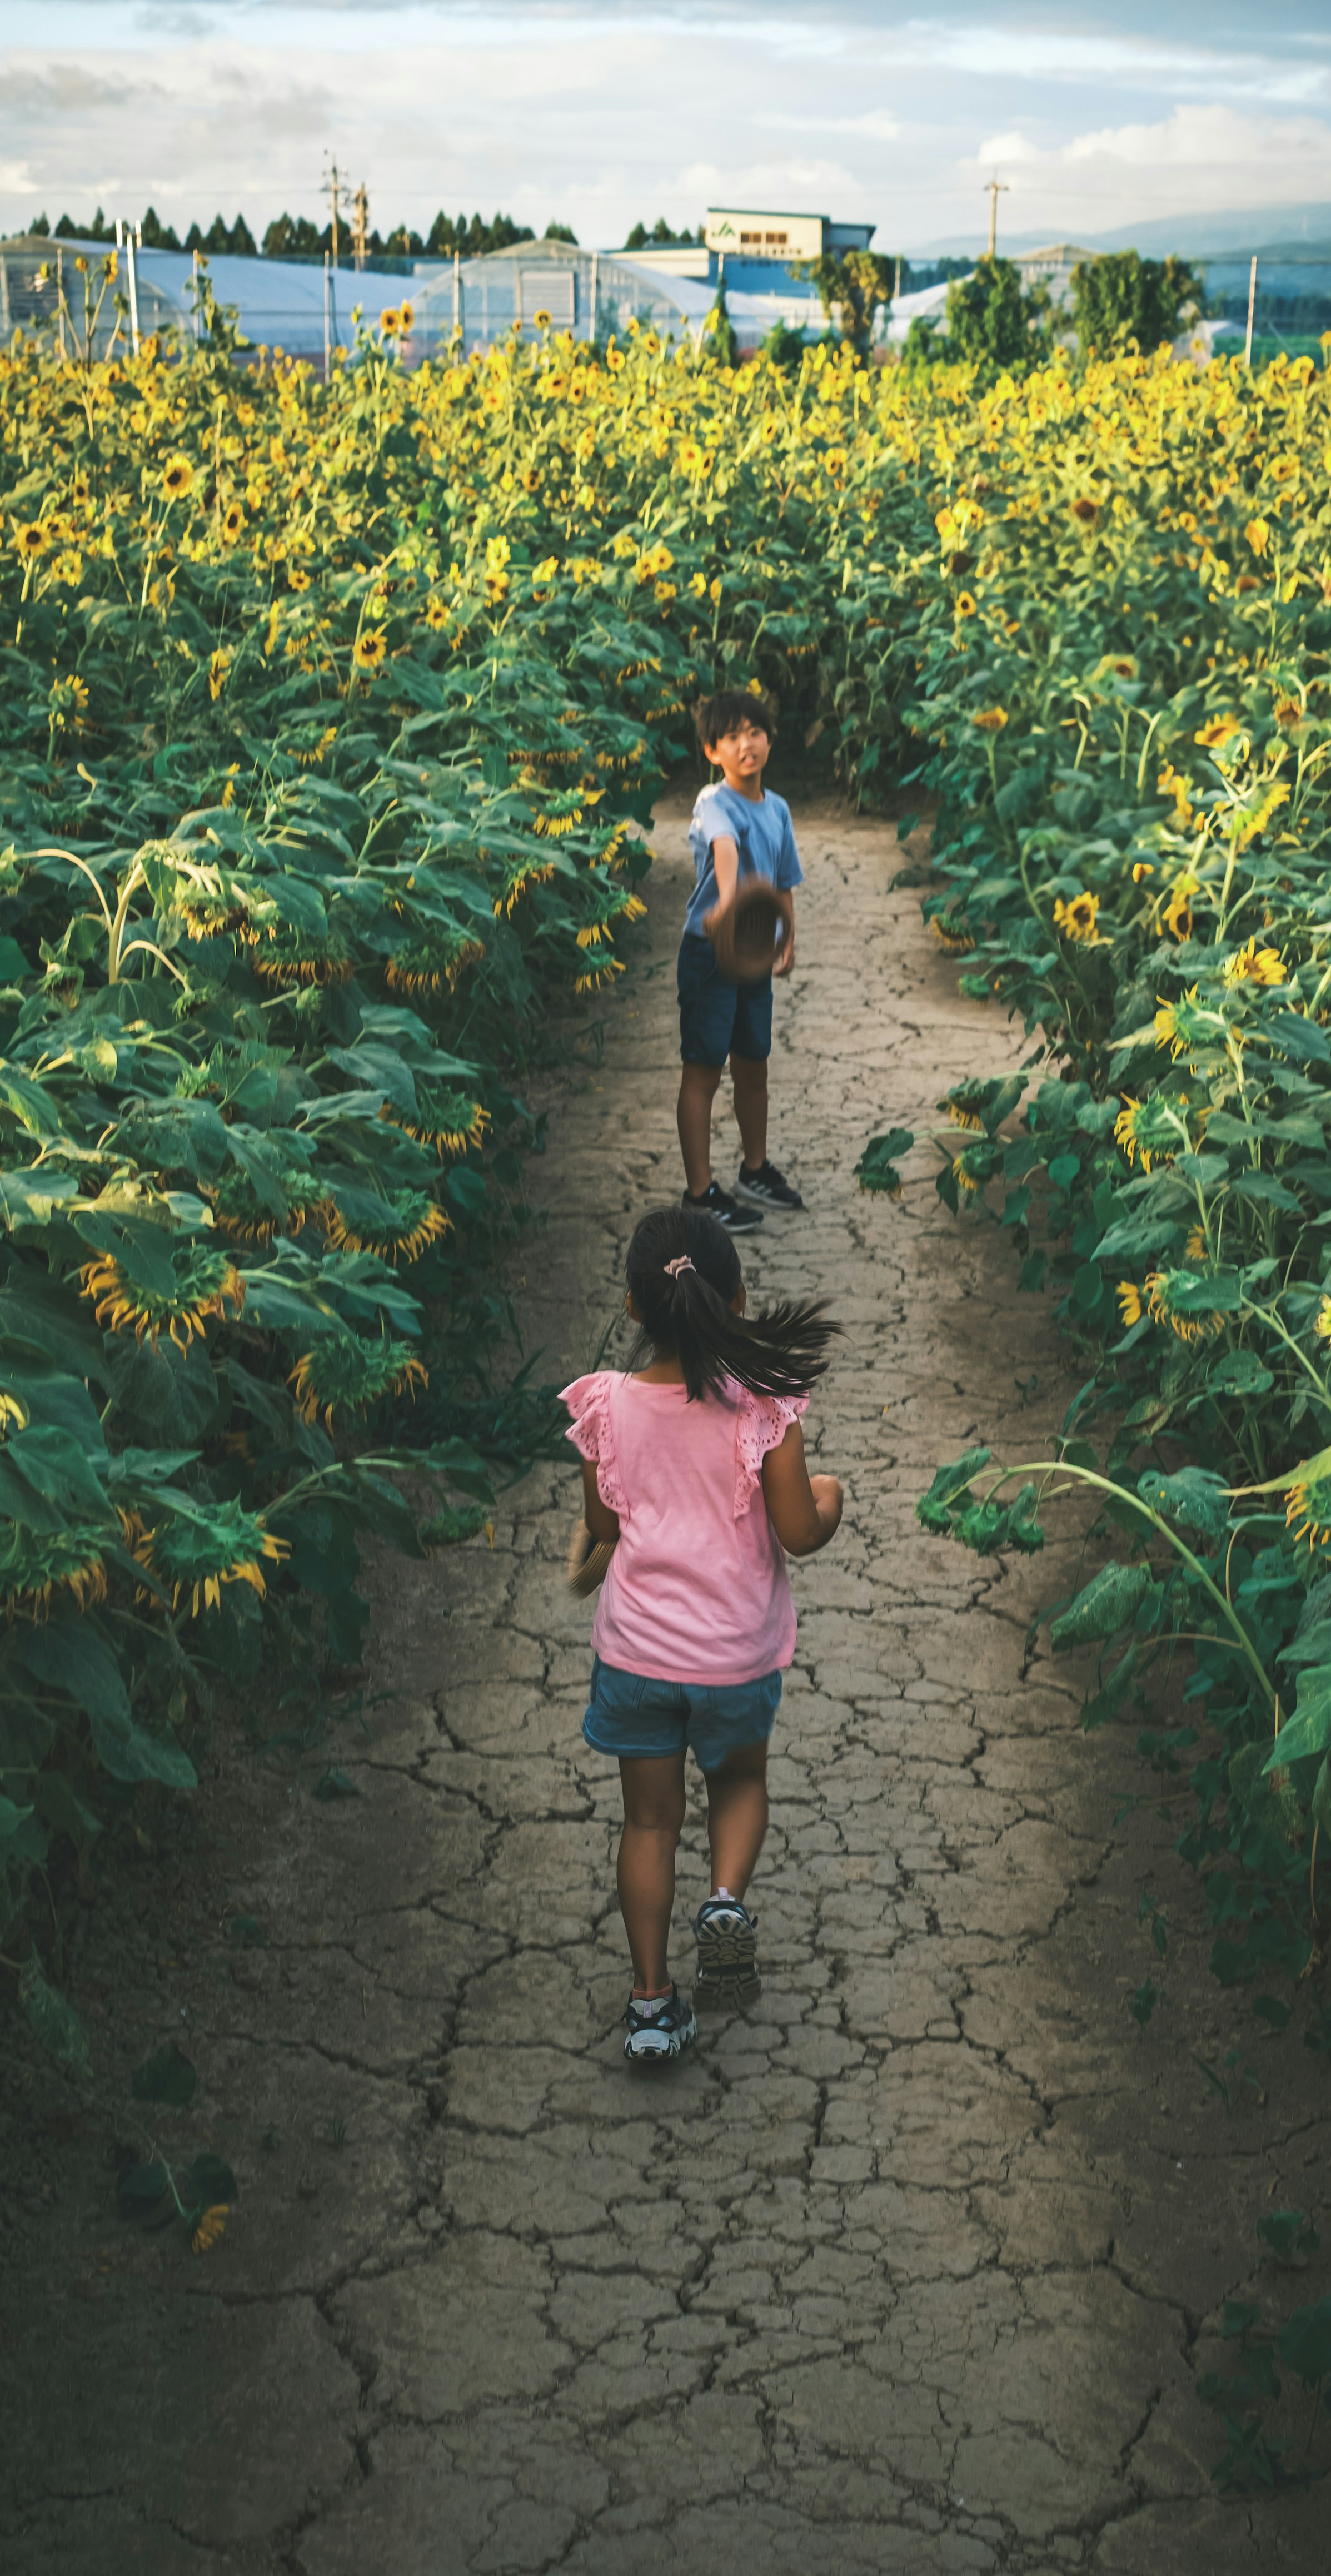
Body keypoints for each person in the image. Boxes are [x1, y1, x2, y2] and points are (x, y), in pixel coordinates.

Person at [561, 1205, 844, 2062]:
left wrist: (590, 1554)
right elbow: (798, 1529)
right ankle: (724, 1899)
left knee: (646, 1822)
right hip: (732, 1657)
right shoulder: (764, 1408)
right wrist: (832, 1499)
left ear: (635, 1308)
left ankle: (650, 2003)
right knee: (738, 1781)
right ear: (739, 1299)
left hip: (639, 1653)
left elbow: (604, 1527)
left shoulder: (606, 1406)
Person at [677, 688, 806, 1233]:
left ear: (770, 740)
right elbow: (725, 850)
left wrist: (787, 939)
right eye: (731, 737)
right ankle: (701, 1193)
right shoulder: (714, 803)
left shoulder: (777, 808)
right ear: (713, 752)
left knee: (754, 1065)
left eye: (754, 732)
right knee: (705, 1070)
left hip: (755, 952)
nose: (745, 744)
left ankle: (755, 1170)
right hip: (711, 951)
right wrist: (729, 904)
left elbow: (783, 882)